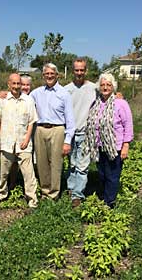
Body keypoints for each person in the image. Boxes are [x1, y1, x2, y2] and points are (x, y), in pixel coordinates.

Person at [83, 73, 133, 208]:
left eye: (108, 85)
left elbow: (127, 125)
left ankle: (109, 202)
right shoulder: (96, 103)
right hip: (99, 146)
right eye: (103, 85)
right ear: (99, 87)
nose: (105, 87)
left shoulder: (120, 103)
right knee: (103, 174)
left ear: (113, 87)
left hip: (114, 147)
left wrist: (126, 145)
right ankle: (104, 197)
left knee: (112, 175)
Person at [30, 63, 75, 200]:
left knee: (56, 163)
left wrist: (67, 141)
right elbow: (24, 99)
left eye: (52, 74)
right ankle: (45, 191)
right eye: (46, 74)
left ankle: (54, 193)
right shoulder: (36, 93)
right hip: (40, 129)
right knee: (42, 163)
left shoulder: (64, 93)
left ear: (57, 75)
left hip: (57, 129)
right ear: (43, 76)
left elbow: (70, 120)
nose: (49, 76)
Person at [0, 73, 39, 208]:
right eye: (13, 83)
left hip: (23, 142)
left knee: (28, 173)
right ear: (9, 84)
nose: (16, 86)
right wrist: (0, 138)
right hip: (6, 142)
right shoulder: (2, 101)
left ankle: (32, 199)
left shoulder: (28, 100)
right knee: (3, 172)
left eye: (18, 84)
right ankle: (1, 195)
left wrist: (26, 139)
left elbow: (31, 121)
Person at [65, 58, 97, 208]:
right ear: (73, 71)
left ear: (86, 71)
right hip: (70, 133)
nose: (79, 73)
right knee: (72, 164)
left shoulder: (93, 88)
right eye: (76, 70)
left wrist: (119, 95)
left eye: (82, 70)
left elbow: (107, 93)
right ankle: (71, 189)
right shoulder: (66, 89)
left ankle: (78, 196)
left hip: (85, 133)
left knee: (82, 166)